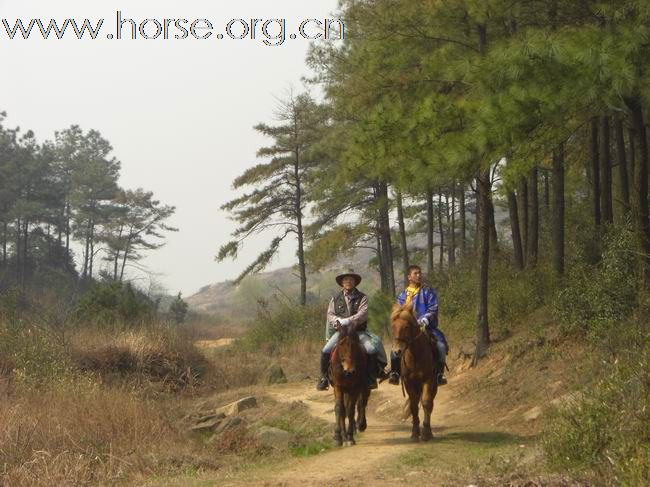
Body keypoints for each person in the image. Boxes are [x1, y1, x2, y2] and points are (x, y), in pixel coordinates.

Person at [316, 270, 388, 391]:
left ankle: (371, 377)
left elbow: (363, 314)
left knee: (371, 349)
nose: (348, 282)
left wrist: (348, 321)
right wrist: (338, 321)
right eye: (345, 280)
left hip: (358, 332)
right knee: (325, 350)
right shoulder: (335, 299)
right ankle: (324, 378)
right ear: (342, 283)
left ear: (355, 282)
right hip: (341, 333)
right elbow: (330, 314)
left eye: (351, 280)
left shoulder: (363, 297)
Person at [389, 265, 448, 386]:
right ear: (409, 277)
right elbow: (398, 312)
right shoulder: (402, 295)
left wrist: (425, 318)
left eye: (420, 273)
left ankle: (439, 374)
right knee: (395, 351)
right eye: (415, 273)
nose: (419, 275)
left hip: (427, 327)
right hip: (407, 330)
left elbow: (433, 308)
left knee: (441, 346)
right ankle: (395, 373)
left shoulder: (428, 291)